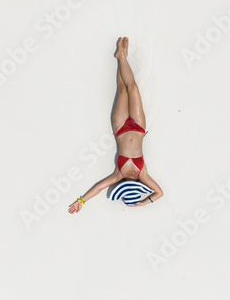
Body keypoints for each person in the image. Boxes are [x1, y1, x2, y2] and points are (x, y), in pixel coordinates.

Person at [68, 37, 165, 213]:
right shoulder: (143, 174)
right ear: (137, 183)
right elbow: (160, 193)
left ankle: (121, 56)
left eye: (126, 183)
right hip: (138, 126)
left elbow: (98, 187)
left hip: (120, 128)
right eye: (132, 183)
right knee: (133, 88)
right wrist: (143, 203)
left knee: (122, 88)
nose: (129, 177)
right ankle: (122, 57)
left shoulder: (117, 175)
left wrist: (81, 201)